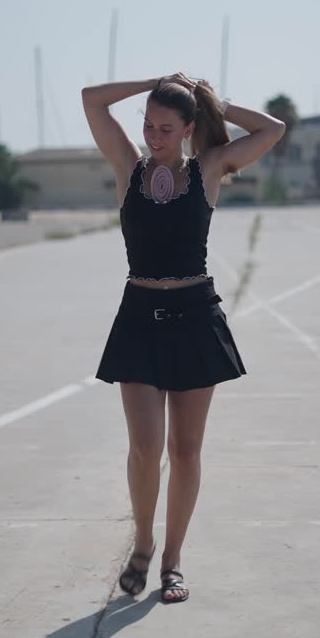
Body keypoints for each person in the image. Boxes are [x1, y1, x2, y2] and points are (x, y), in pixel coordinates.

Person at [81, 72, 285, 603]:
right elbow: (91, 100)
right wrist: (154, 80)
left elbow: (272, 129)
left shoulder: (210, 169)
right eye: (148, 124)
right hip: (139, 316)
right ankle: (143, 545)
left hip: (195, 313)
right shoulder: (129, 167)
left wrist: (212, 99)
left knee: (185, 449)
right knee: (146, 447)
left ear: (189, 128)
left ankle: (172, 562)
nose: (152, 135)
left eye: (165, 127)